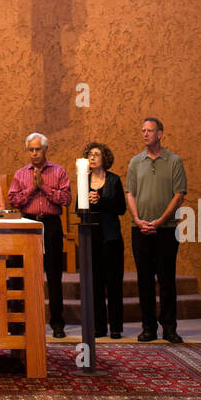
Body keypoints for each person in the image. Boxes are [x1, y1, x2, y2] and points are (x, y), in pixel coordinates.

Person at [126, 117, 187, 344]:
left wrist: (160, 220)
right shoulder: (135, 162)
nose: (145, 134)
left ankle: (169, 328)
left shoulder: (174, 161)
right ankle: (148, 327)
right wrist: (138, 219)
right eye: (143, 130)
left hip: (167, 230)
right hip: (139, 229)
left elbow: (179, 194)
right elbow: (129, 193)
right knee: (144, 280)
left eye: (150, 131)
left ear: (160, 133)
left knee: (167, 279)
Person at [8, 133, 72, 339]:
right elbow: (14, 201)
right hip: (29, 224)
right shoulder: (21, 174)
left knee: (54, 275)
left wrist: (43, 187)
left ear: (45, 150)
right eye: (31, 150)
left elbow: (66, 199)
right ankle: (23, 321)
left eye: (38, 149)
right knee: (25, 274)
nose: (34, 153)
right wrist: (32, 188)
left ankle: (57, 323)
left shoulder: (59, 171)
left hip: (51, 225)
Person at [83, 141, 127, 338]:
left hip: (111, 238)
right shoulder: (83, 180)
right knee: (96, 284)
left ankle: (116, 327)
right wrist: (87, 203)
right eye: (90, 154)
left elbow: (121, 208)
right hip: (92, 238)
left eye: (97, 154)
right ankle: (99, 327)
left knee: (114, 283)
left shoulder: (114, 180)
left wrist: (101, 201)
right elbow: (78, 207)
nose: (92, 157)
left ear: (105, 158)